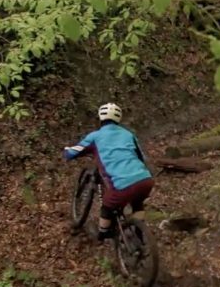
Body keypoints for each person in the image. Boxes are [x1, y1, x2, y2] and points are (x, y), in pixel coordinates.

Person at [63, 103, 154, 240]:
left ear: (100, 117)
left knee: (107, 207)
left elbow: (71, 153)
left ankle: (104, 233)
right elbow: (141, 157)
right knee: (137, 202)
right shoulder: (128, 134)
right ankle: (139, 234)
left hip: (122, 185)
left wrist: (66, 150)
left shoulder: (95, 136)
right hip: (145, 180)